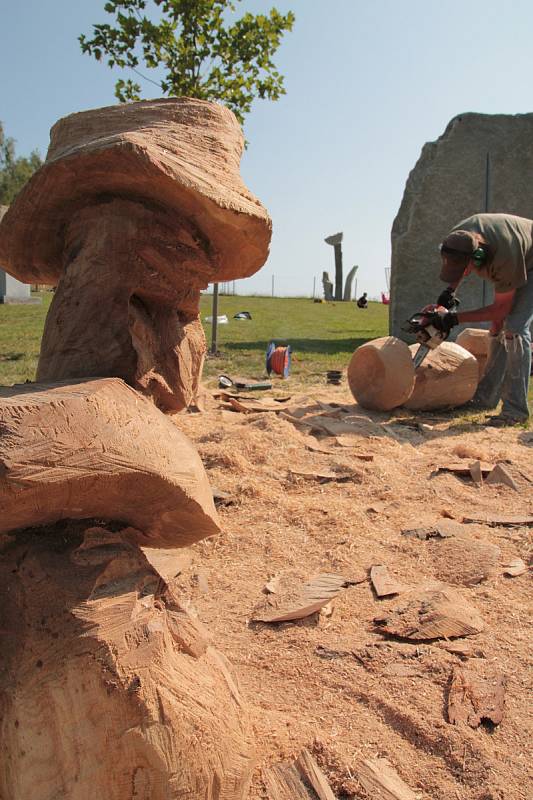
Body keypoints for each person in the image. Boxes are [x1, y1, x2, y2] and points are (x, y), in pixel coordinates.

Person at [431, 213, 533, 426]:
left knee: (514, 329)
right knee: (495, 329)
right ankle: (485, 399)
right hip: (512, 255)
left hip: (529, 263)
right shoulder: (458, 238)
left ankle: (515, 411)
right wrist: (447, 295)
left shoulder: (504, 256)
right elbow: (460, 264)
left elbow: (500, 309)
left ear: (477, 257)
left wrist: (454, 319)